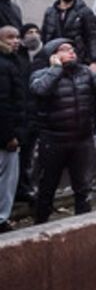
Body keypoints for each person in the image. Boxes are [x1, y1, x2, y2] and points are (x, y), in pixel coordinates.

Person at [29, 38, 96, 222]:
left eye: (72, 49)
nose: (71, 52)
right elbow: (40, 90)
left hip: (82, 140)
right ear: (52, 55)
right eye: (64, 50)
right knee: (47, 187)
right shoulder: (40, 74)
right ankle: (39, 226)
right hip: (53, 140)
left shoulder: (85, 72)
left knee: (83, 187)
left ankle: (82, 225)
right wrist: (56, 69)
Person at [40, 0, 96, 74]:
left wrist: (94, 61)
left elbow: (93, 36)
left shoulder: (84, 11)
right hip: (55, 59)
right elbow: (45, 36)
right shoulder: (50, 12)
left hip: (78, 58)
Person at [0, 26, 27, 230]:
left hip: (11, 131)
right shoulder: (5, 65)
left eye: (18, 37)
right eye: (10, 37)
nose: (16, 41)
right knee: (6, 181)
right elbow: (4, 103)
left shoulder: (13, 62)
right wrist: (9, 135)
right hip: (6, 136)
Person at [14, 24, 41, 205]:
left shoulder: (42, 56)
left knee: (27, 156)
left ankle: (24, 188)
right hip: (20, 114)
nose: (33, 36)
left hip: (34, 114)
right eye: (29, 32)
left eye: (36, 32)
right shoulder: (17, 57)